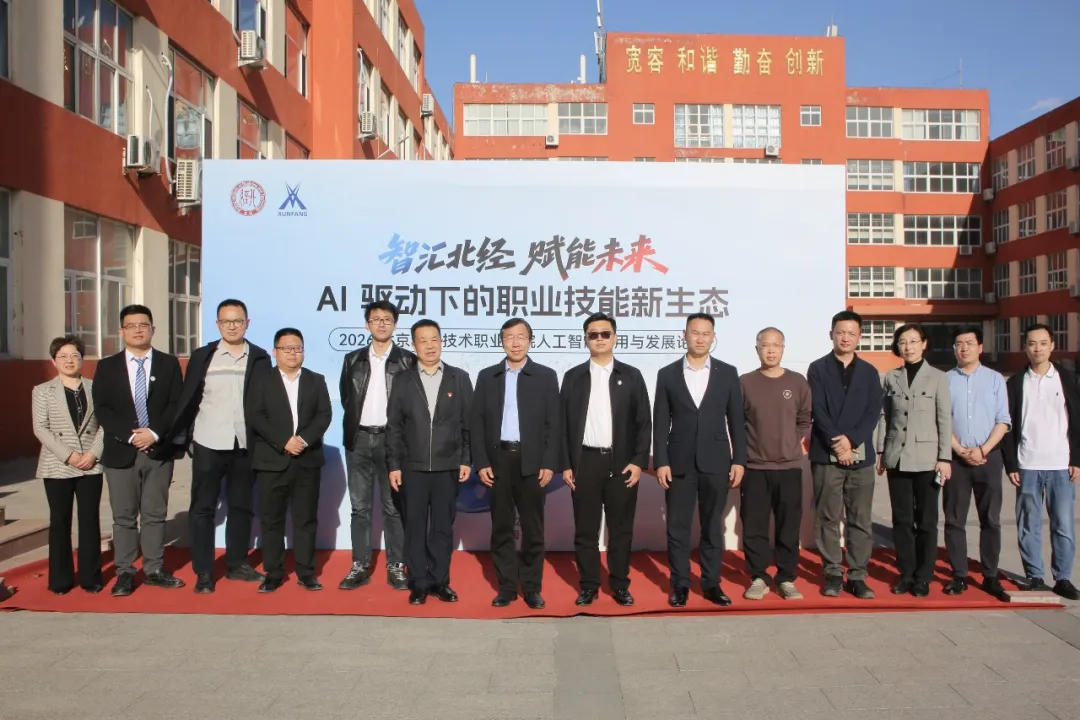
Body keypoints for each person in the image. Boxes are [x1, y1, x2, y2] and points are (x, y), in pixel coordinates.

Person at [171, 299, 271, 594]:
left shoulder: (260, 357)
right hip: (208, 441)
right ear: (217, 324)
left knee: (241, 507)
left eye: (237, 321)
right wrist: (184, 437)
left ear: (247, 323)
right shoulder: (204, 356)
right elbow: (189, 399)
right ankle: (203, 571)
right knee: (202, 509)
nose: (232, 326)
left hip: (244, 444)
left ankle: (237, 563)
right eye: (226, 321)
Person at [654, 312, 747, 608]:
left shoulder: (728, 373)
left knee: (712, 526)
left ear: (713, 337)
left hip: (716, 461)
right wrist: (661, 461)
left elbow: (736, 421)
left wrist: (739, 460)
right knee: (677, 527)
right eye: (695, 332)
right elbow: (660, 423)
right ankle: (680, 584)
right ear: (684, 335)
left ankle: (711, 583)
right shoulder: (667, 374)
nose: (700, 338)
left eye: (706, 333)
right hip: (678, 463)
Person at [92, 305, 185, 597]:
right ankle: (125, 572)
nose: (137, 330)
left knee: (154, 514)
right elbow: (102, 408)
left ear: (152, 329)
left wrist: (154, 433)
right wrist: (131, 436)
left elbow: (176, 404)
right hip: (121, 452)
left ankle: (154, 568)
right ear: (121, 331)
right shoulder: (107, 366)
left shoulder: (169, 364)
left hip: (158, 451)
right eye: (131, 326)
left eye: (143, 325)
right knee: (123, 516)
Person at [560, 312, 651, 607]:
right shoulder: (573, 377)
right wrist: (566, 464)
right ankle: (589, 585)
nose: (599, 339)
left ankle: (620, 585)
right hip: (585, 463)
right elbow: (562, 425)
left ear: (615, 338)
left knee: (620, 530)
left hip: (621, 464)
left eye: (605, 333)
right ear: (585, 339)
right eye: (593, 334)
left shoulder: (632, 376)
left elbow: (644, 423)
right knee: (585, 530)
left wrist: (638, 461)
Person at [471, 318, 561, 609]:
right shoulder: (488, 377)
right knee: (502, 527)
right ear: (502, 341)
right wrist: (481, 461)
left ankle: (532, 588)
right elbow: (477, 423)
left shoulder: (545, 376)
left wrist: (549, 462)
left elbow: (554, 423)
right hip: (498, 461)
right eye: (509, 337)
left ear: (530, 340)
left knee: (533, 529)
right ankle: (507, 588)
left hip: (532, 462)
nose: (515, 342)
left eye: (521, 336)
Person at [386, 319, 473, 605]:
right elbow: (394, 426)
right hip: (412, 466)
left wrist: (466, 459)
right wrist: (394, 465)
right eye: (423, 341)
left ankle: (439, 581)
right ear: (414, 346)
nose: (430, 346)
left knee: (442, 528)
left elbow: (467, 424)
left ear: (441, 342)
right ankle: (418, 583)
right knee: (414, 527)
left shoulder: (459, 378)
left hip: (448, 466)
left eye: (434, 339)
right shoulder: (403, 379)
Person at [246, 328, 332, 593]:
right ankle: (274, 573)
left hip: (306, 460)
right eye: (286, 348)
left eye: (297, 348)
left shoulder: (316, 380)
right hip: (272, 460)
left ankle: (306, 572)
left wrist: (303, 440)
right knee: (272, 520)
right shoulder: (262, 380)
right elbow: (256, 415)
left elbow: (324, 415)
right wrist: (284, 440)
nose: (292, 353)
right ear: (275, 352)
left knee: (306, 519)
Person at [338, 300, 414, 591]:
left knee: (393, 507)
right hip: (357, 439)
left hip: (392, 441)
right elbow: (347, 398)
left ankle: (396, 566)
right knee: (360, 507)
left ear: (395, 324)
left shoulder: (407, 360)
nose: (381, 323)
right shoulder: (352, 359)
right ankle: (360, 565)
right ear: (366, 324)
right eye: (375, 319)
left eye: (387, 319)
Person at [807, 310, 882, 600]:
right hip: (826, 453)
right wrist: (838, 444)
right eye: (840, 332)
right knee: (827, 516)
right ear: (831, 334)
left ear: (859, 337)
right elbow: (817, 409)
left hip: (860, 455)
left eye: (851, 333)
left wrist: (851, 441)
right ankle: (833, 573)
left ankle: (858, 575)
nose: (845, 338)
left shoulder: (869, 372)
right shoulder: (817, 368)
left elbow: (873, 412)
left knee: (860, 518)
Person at [1002, 323, 1080, 601]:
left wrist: (1077, 459)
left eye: (1043, 343)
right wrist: (1011, 464)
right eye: (1032, 343)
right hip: (1027, 464)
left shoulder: (1067, 379)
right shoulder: (1015, 383)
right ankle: (1035, 576)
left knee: (1064, 525)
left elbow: (1078, 420)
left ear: (1052, 346)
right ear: (1025, 347)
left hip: (1061, 464)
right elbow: (1007, 425)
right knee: (1028, 524)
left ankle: (1063, 578)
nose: (1038, 349)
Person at [876, 323, 952, 598]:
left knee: (927, 521)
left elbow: (944, 419)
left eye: (913, 341)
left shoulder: (938, 378)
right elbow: (885, 417)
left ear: (924, 343)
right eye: (903, 342)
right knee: (902, 520)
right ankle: (906, 574)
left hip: (928, 460)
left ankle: (923, 577)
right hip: (897, 457)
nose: (908, 347)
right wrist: (881, 452)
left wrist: (945, 457)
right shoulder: (891, 377)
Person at [739, 327, 812, 601]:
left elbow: (804, 418)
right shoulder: (745, 382)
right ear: (757, 349)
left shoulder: (797, 382)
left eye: (776, 345)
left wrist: (792, 441)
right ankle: (758, 577)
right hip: (755, 467)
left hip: (789, 467)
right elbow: (736, 421)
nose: (770, 350)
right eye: (765, 345)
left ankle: (786, 578)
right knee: (754, 525)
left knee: (788, 525)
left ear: (783, 348)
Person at [31, 336, 105, 595]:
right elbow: (41, 427)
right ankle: (60, 580)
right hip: (57, 464)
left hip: (90, 464)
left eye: (74, 355)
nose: (69, 360)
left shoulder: (96, 388)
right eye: (62, 356)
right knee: (60, 521)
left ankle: (91, 578)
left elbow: (106, 424)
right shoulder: (42, 391)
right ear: (54, 361)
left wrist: (93, 453)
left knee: (89, 520)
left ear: (82, 359)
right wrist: (69, 455)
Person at [944, 326, 1010, 600]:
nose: (964, 348)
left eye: (969, 343)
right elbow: (941, 420)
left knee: (990, 520)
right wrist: (960, 450)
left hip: (989, 458)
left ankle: (990, 575)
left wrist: (983, 449)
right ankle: (959, 575)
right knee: (954, 519)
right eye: (959, 344)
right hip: (956, 458)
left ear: (980, 347)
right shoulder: (945, 380)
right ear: (954, 349)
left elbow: (1003, 420)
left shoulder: (995, 379)